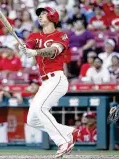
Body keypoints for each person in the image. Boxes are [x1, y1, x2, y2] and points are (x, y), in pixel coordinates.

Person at [18, 7, 80, 158]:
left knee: (40, 109)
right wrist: (24, 49)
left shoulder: (61, 35)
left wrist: (36, 52)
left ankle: (62, 141)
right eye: (39, 14)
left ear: (52, 16)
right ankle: (68, 132)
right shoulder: (35, 35)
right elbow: (29, 46)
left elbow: (53, 50)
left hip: (57, 79)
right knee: (32, 120)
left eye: (44, 13)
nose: (40, 16)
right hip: (45, 83)